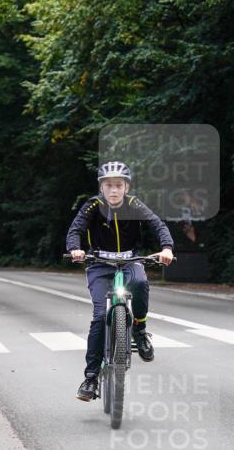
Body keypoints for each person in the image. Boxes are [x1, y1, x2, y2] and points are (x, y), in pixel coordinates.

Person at [66, 161, 174, 401]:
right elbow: (76, 230)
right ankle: (91, 377)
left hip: (130, 260)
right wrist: (75, 249)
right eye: (108, 185)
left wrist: (166, 248)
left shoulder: (134, 205)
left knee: (140, 283)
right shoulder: (93, 206)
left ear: (126, 187)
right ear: (101, 188)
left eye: (118, 185)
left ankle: (140, 330)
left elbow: (157, 224)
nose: (113, 190)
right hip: (99, 264)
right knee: (100, 316)